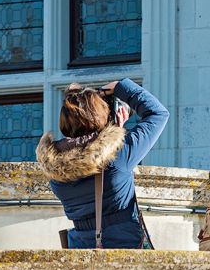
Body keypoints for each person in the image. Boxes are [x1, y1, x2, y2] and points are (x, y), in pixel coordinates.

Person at [36, 78, 168, 248]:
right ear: (101, 117)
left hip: (80, 252)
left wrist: (112, 136)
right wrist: (118, 86)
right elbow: (158, 113)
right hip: (124, 249)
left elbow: (87, 152)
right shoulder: (119, 155)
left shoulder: (54, 167)